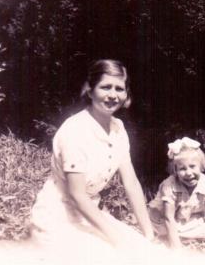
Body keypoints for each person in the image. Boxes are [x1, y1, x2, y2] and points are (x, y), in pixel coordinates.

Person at [29, 59, 155, 262]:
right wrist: (117, 241)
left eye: (119, 89)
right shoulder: (75, 130)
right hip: (58, 217)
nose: (113, 95)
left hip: (92, 215)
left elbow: (131, 183)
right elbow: (77, 196)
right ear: (90, 90)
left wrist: (148, 233)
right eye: (105, 87)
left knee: (149, 253)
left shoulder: (118, 128)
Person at [148, 137, 205, 251]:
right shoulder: (169, 185)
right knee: (162, 240)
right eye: (182, 168)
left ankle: (187, 239)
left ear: (201, 166)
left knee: (201, 233)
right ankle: (172, 241)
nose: (188, 173)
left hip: (188, 216)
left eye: (192, 166)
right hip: (164, 219)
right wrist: (177, 248)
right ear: (175, 171)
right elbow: (168, 217)